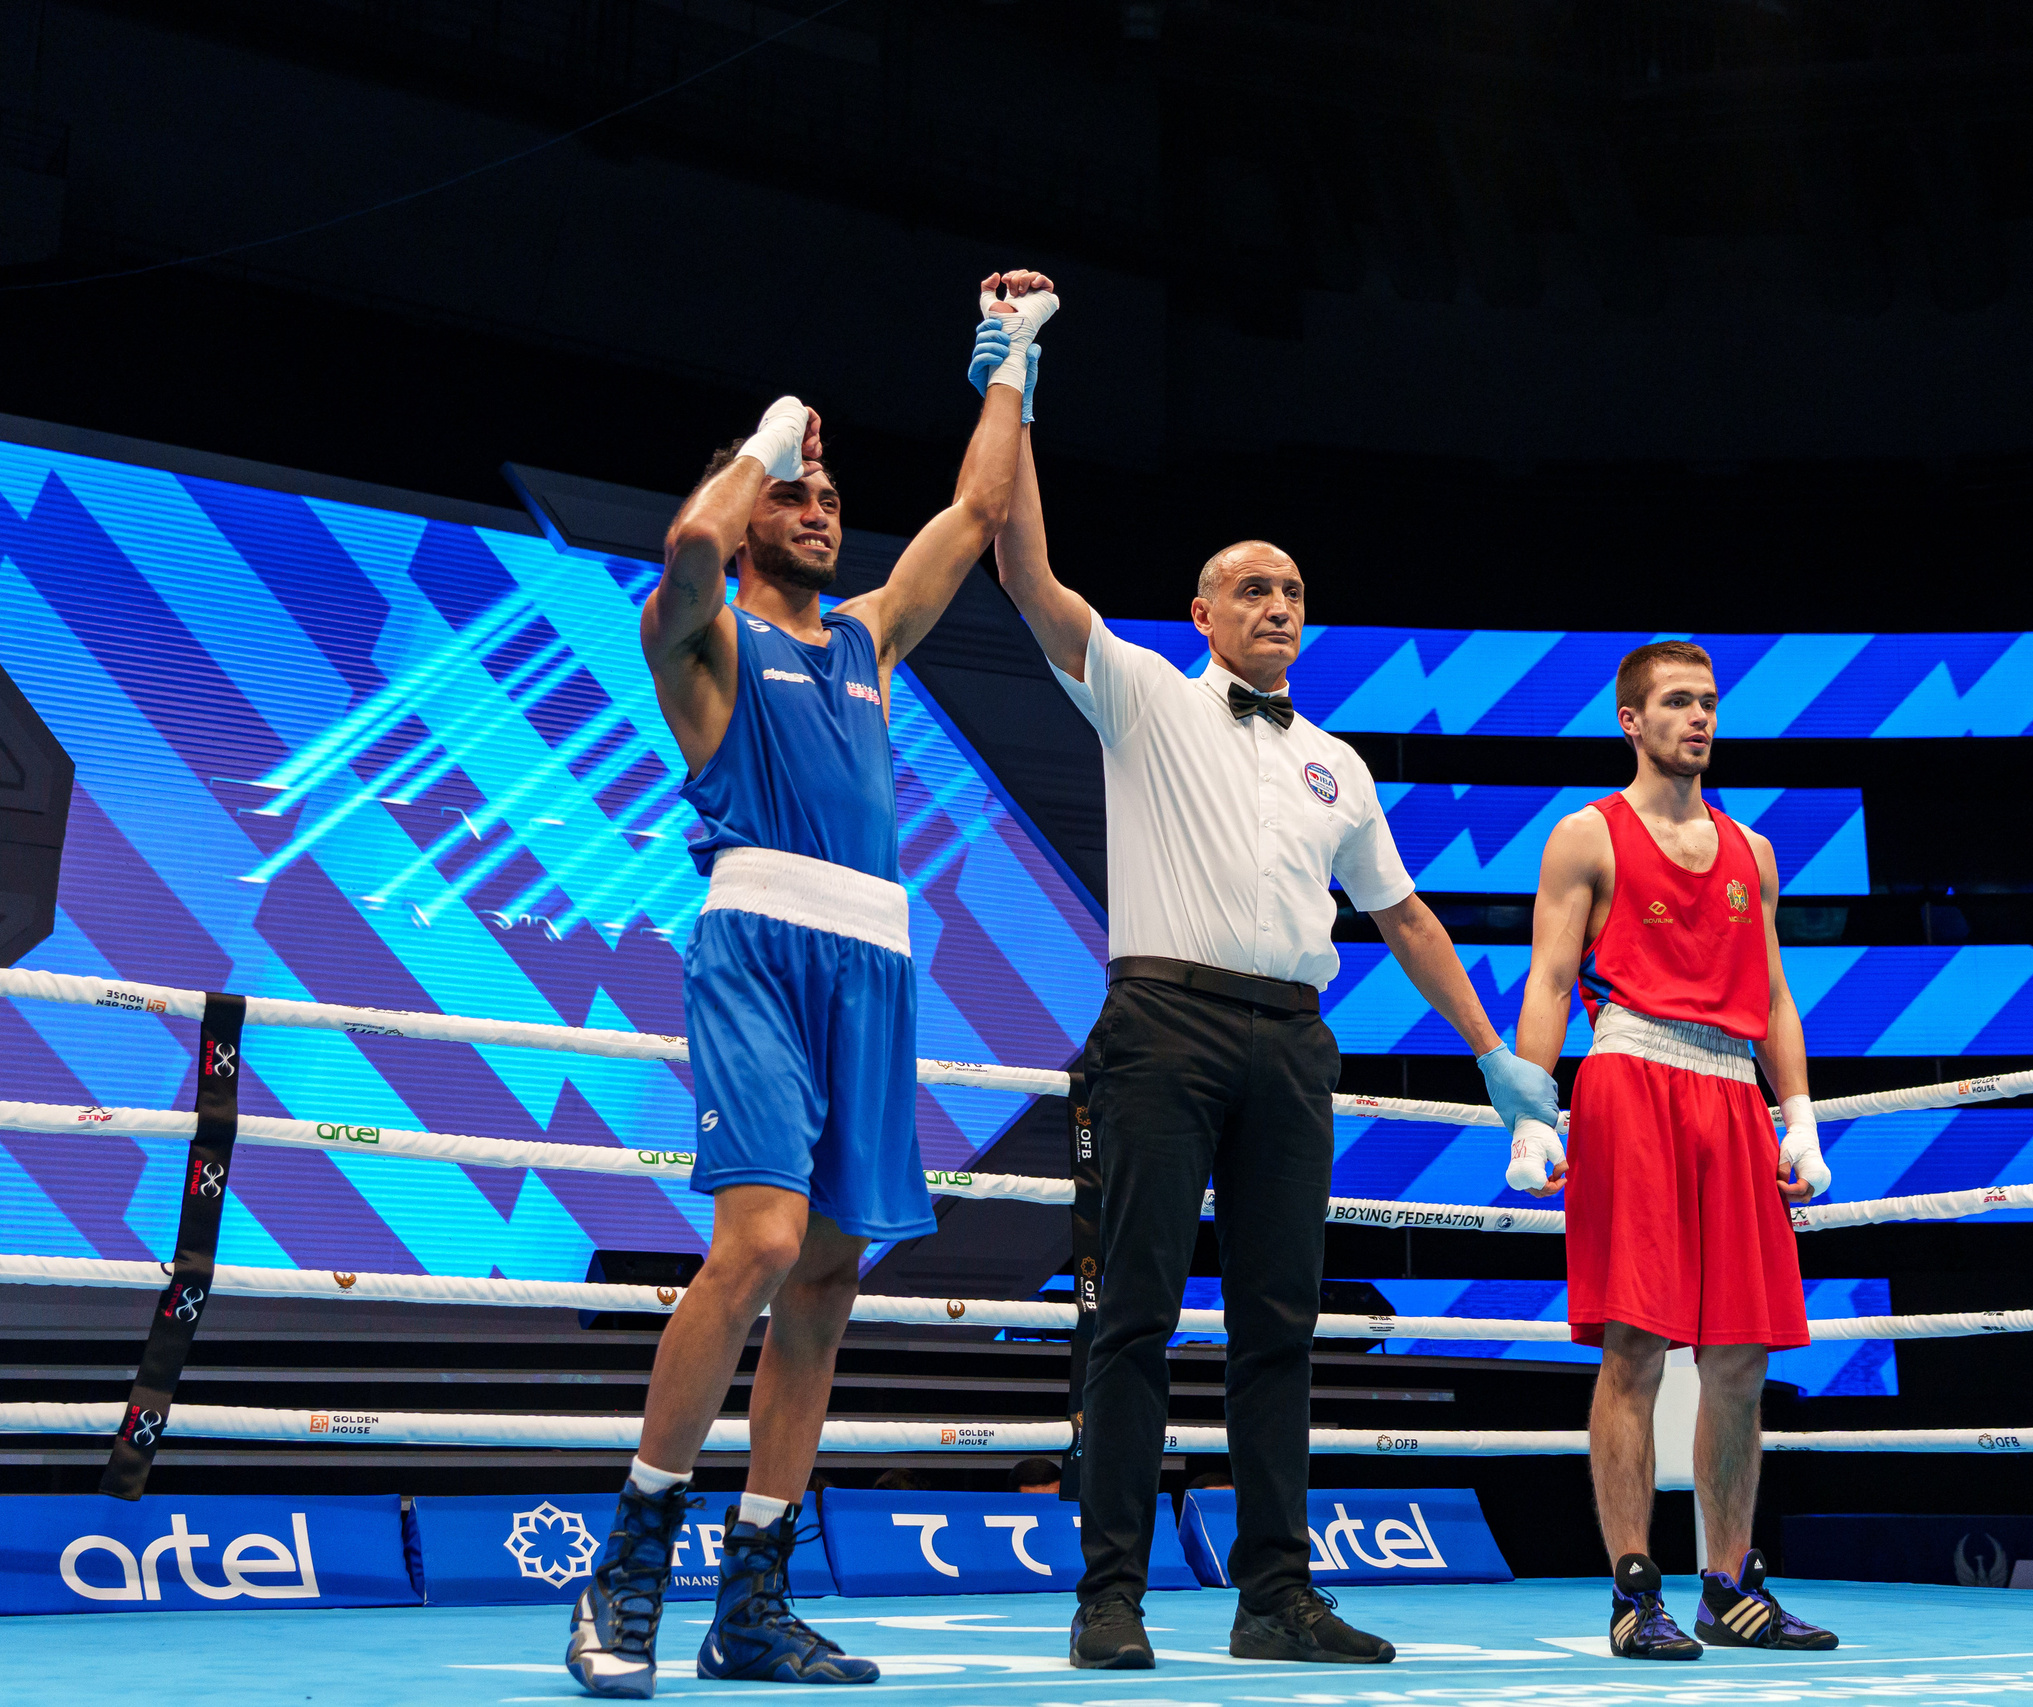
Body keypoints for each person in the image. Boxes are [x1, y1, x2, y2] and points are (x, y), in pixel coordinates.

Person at [565, 271, 1056, 1697]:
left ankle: (756, 1596)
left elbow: (971, 517)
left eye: (829, 490)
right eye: (799, 491)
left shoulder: (869, 644)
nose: (820, 506)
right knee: (762, 1244)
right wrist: (772, 436)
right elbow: (685, 540)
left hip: (876, 961)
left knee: (831, 1280)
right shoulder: (704, 646)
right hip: (760, 950)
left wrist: (1009, 363)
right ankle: (629, 1568)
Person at [994, 441, 1559, 1669]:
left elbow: (1402, 915)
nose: (1278, 606)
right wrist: (1021, 404)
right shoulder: (1142, 692)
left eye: (1294, 591)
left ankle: (1274, 1600)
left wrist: (1490, 1055)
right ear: (1202, 613)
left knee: (1280, 1330)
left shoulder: (1337, 764)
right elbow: (1028, 574)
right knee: (1128, 1317)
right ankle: (1111, 1597)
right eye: (1253, 588)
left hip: (1294, 1046)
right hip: (1158, 1027)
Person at [1513, 641, 1838, 1661]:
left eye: (1707, 702)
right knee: (1634, 1346)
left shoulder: (1753, 851)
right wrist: (1531, 1111)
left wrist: (1799, 1115)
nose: (1697, 718)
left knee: (1739, 1357)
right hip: (1630, 1078)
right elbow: (1550, 981)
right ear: (1630, 718)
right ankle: (1631, 1588)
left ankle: (1729, 1586)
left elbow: (1776, 992)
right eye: (1676, 702)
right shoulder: (1586, 835)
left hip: (1733, 1094)